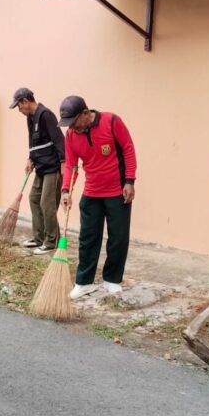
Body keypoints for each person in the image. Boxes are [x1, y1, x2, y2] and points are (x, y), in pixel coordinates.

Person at [58, 95, 137, 299]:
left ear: (85, 113)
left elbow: (128, 149)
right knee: (88, 238)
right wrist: (65, 190)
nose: (72, 127)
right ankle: (84, 282)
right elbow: (71, 165)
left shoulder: (111, 122)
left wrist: (130, 181)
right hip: (92, 192)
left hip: (117, 191)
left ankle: (112, 279)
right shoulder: (71, 136)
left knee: (118, 238)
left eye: (74, 122)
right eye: (69, 124)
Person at [9, 87, 64, 255]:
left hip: (53, 168)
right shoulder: (30, 118)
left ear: (25, 101)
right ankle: (39, 238)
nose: (19, 110)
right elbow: (32, 141)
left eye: (18, 106)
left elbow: (59, 140)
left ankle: (51, 241)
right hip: (40, 166)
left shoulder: (46, 115)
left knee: (47, 204)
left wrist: (64, 165)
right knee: (34, 199)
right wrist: (30, 158)